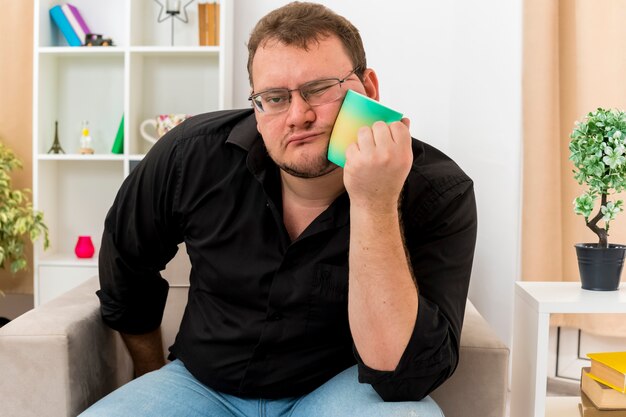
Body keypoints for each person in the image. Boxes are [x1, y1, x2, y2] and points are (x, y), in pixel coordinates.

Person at [82, 2, 477, 416]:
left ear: (369, 89)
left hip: (340, 390)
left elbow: (404, 374)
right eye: (274, 98)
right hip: (200, 385)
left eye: (320, 88)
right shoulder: (192, 155)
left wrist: (373, 201)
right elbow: (126, 265)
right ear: (256, 104)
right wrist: (149, 370)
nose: (298, 116)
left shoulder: (437, 191)